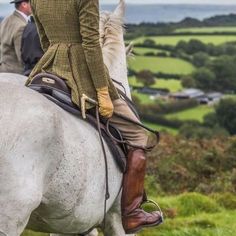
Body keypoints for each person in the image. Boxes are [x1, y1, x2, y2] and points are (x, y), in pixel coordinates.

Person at [25, 0, 163, 234]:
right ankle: (131, 212)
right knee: (139, 136)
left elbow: (45, 40)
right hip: (82, 73)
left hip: (47, 70)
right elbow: (90, 45)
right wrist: (101, 89)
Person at [0, 0, 32, 74]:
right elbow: (21, 56)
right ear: (24, 4)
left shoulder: (6, 19)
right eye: (31, 3)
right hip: (15, 72)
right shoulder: (22, 25)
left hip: (3, 68)